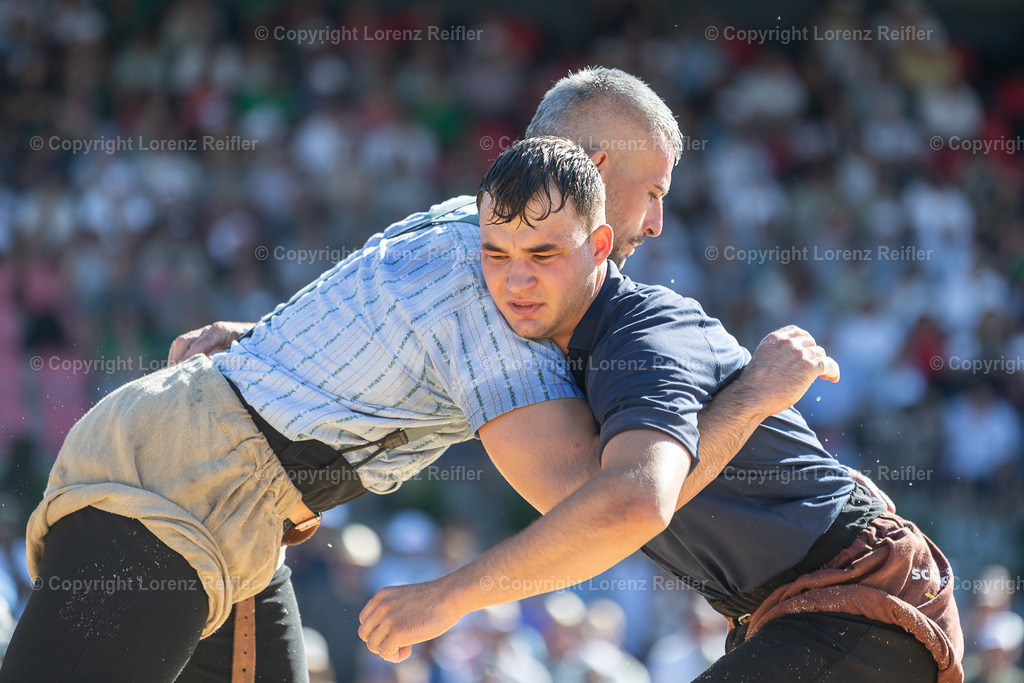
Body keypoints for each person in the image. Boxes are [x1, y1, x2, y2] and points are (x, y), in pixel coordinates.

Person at [0, 68, 830, 682]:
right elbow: (603, 505)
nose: (655, 218)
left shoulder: (463, 220)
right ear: (592, 169)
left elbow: (365, 324)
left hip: (228, 499)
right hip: (177, 488)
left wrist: (253, 337)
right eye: (650, 191)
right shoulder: (499, 290)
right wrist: (749, 397)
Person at [356, 136, 965, 682]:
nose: (516, 282)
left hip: (860, 594)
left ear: (598, 247)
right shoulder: (552, 346)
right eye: (497, 255)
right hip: (787, 612)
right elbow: (595, 507)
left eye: (542, 256)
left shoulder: (643, 336)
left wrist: (449, 595)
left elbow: (634, 502)